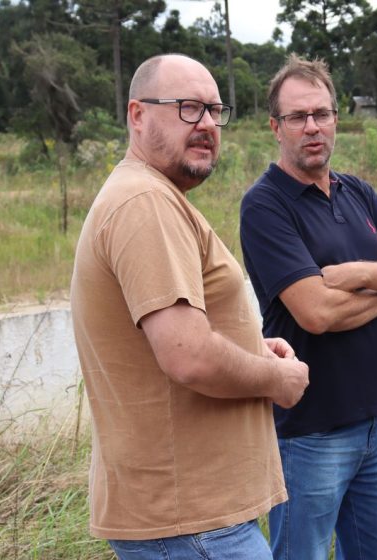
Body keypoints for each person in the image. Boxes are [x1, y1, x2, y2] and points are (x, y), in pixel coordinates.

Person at [70, 53, 309, 559]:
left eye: (214, 111)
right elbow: (189, 357)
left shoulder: (150, 196)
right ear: (137, 114)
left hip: (190, 519)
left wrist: (248, 346)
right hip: (190, 522)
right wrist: (277, 381)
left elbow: (174, 337)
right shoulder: (145, 205)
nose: (205, 124)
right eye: (186, 108)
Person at [239, 54, 377, 560]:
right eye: (297, 117)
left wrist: (357, 275)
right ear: (275, 127)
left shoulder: (358, 193)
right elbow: (317, 314)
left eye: (322, 114)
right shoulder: (265, 206)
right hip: (310, 433)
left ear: (335, 120)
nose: (312, 127)